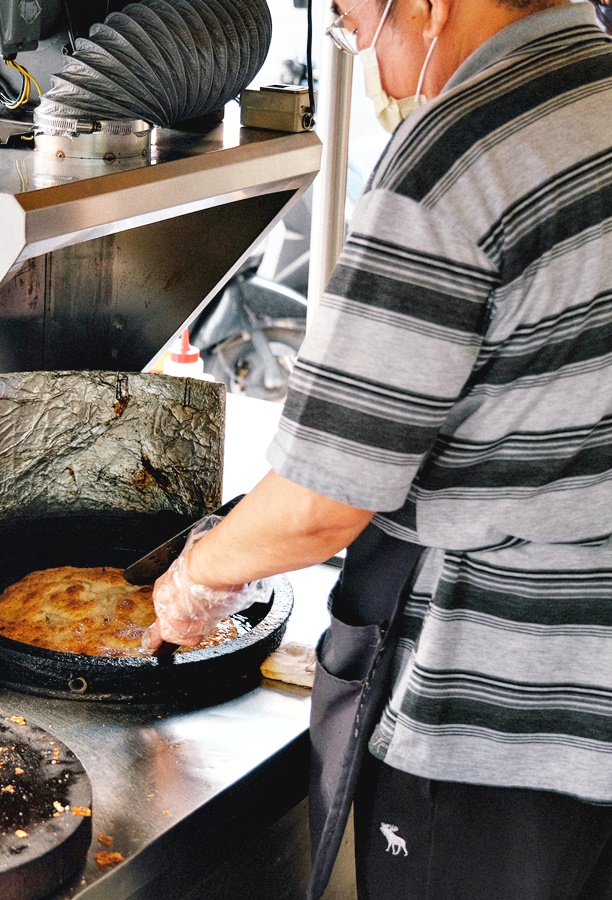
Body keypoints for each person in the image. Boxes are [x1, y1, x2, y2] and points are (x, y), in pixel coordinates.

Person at [143, 0, 612, 897]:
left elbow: (321, 502)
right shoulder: (596, 91)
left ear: (430, 7)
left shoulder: (458, 155)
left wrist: (194, 578)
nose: (362, 47)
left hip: (500, 720)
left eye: (359, 19)